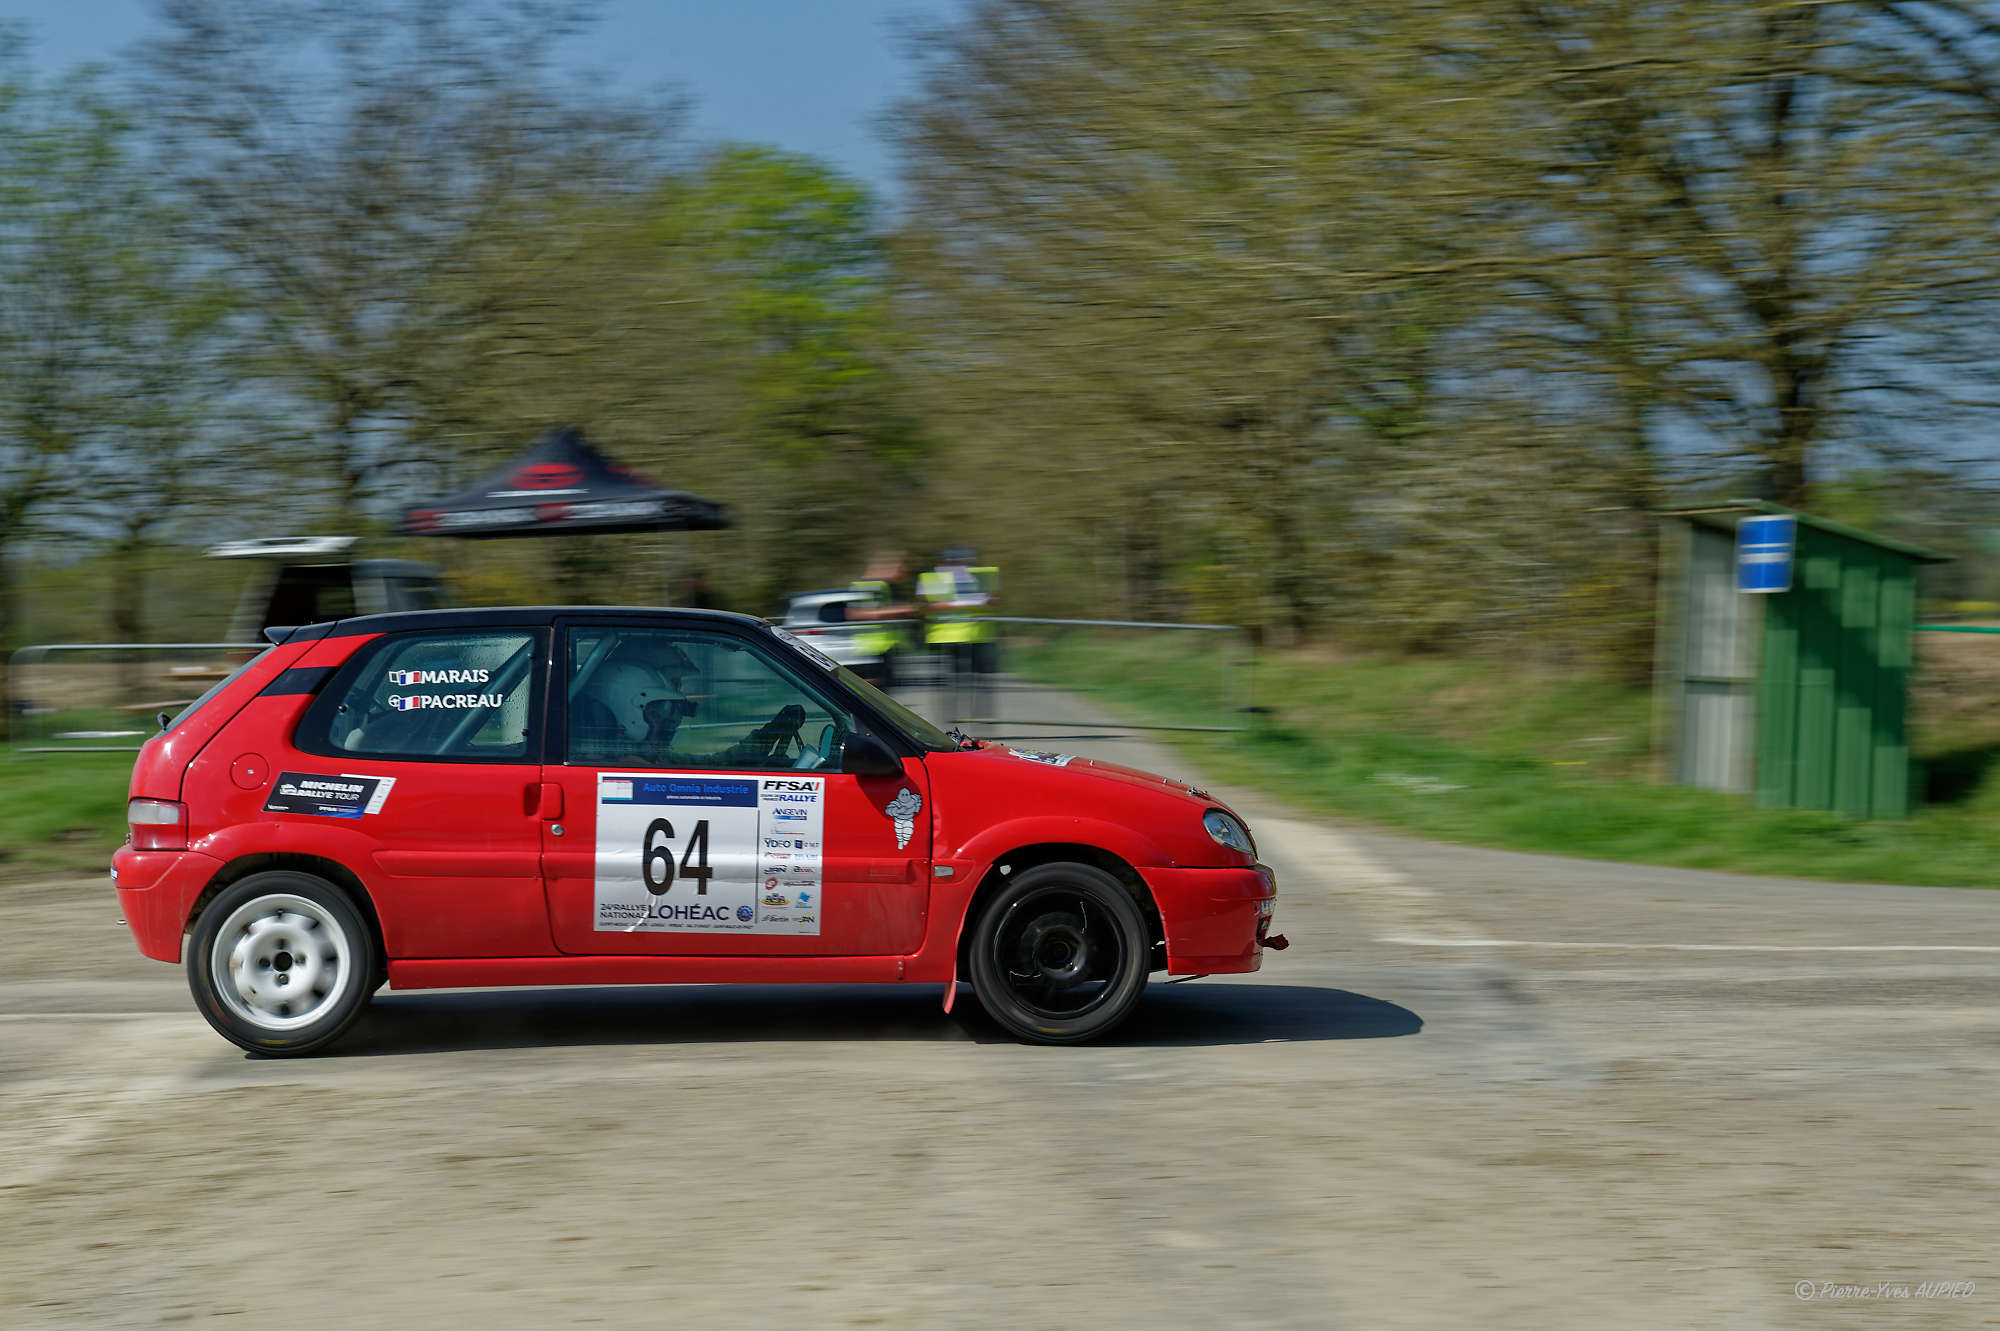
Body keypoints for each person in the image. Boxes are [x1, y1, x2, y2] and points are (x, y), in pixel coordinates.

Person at [918, 547, 1000, 716]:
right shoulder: (932, 578)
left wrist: (984, 602)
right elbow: (924, 605)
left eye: (965, 562)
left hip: (977, 636)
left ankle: (979, 722)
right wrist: (961, 604)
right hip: (944, 639)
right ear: (944, 563)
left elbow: (995, 599)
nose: (962, 567)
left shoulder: (981, 576)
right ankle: (949, 723)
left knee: (979, 685)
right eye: (956, 563)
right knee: (950, 687)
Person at [848, 551, 920, 686]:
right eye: (901, 569)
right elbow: (854, 614)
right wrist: (898, 611)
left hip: (885, 648)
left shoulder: (885, 586)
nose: (904, 573)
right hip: (870, 649)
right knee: (874, 691)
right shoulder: (865, 586)